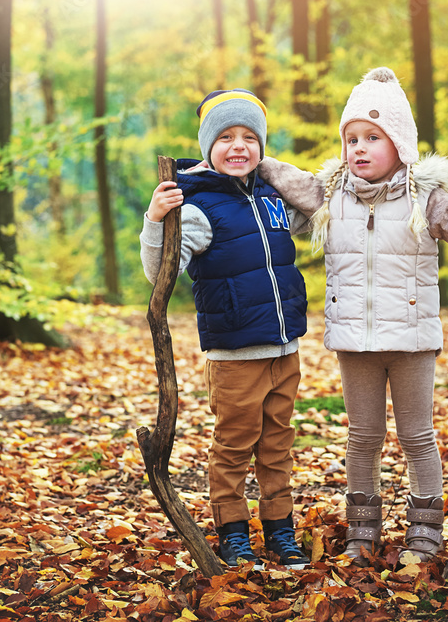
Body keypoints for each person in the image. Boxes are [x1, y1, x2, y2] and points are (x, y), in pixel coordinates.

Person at [258, 67, 448, 566]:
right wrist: (247, 155)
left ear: (401, 144)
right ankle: (362, 531)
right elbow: (284, 178)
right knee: (363, 438)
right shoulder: (333, 195)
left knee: (418, 437)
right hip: (355, 341)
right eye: (351, 138)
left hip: (412, 341)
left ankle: (425, 530)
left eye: (373, 137)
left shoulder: (426, 198)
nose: (359, 148)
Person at [139, 88, 311, 570]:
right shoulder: (197, 208)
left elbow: (321, 208)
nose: (239, 147)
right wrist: (155, 221)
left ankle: (281, 531)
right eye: (226, 138)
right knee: (234, 446)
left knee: (278, 443)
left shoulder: (274, 199)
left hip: (285, 346)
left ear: (262, 147)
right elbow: (160, 271)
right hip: (235, 353)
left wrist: (280, 172)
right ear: (208, 147)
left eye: (250, 138)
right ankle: (234, 533)